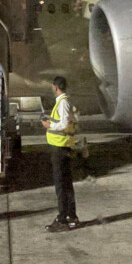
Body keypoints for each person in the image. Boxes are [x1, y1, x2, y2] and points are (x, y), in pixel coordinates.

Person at [42, 76, 79, 231]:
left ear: (56, 87)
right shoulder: (65, 102)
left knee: (61, 186)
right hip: (64, 146)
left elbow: (63, 123)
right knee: (66, 183)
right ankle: (71, 216)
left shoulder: (63, 103)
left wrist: (49, 125)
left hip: (59, 147)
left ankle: (62, 219)